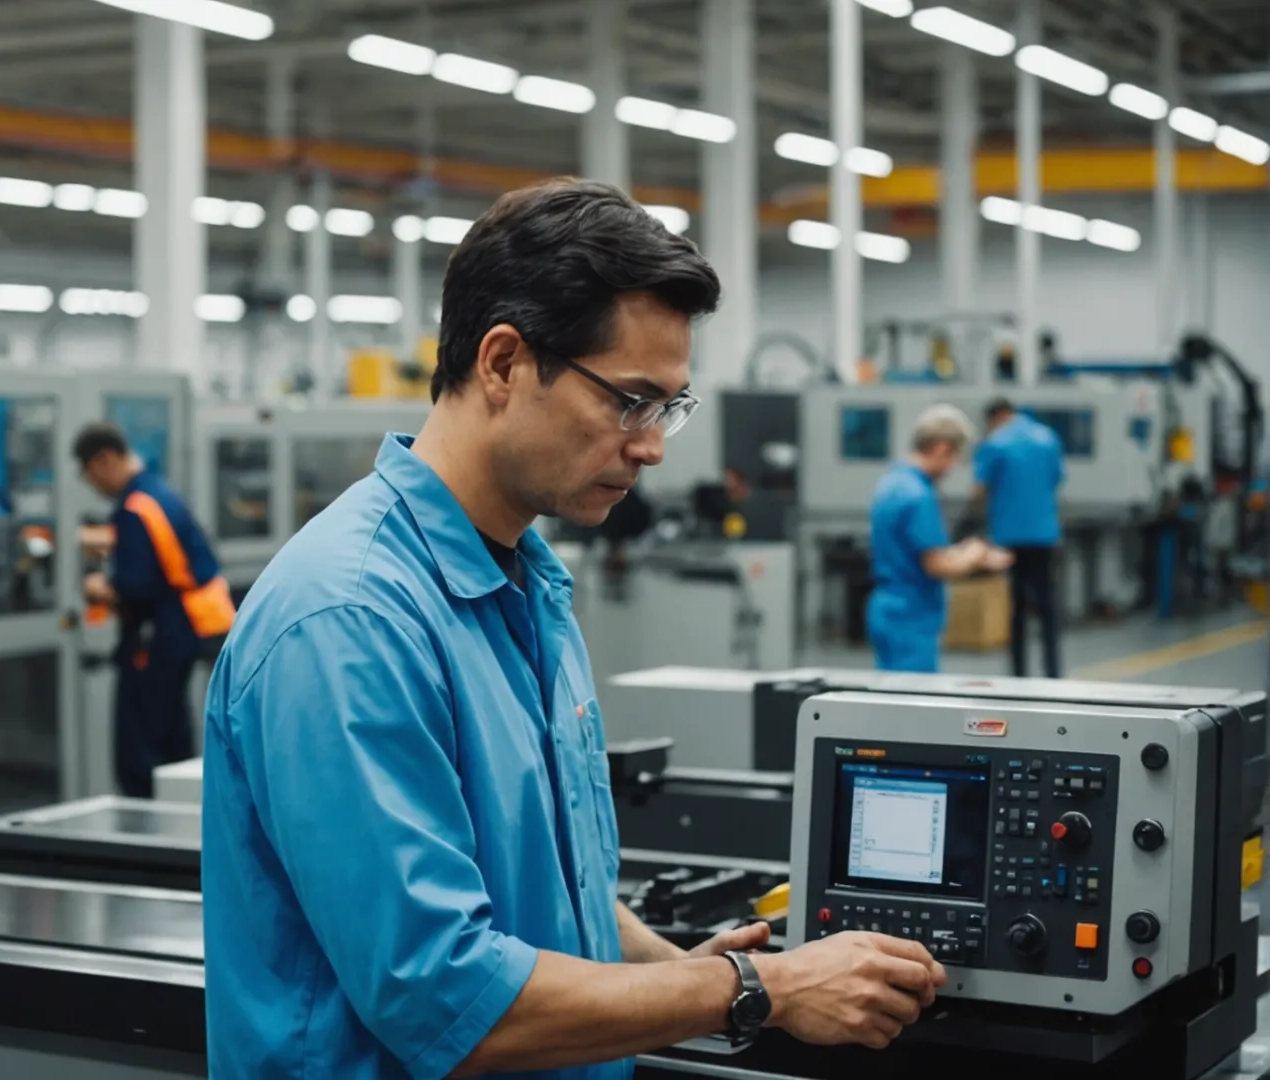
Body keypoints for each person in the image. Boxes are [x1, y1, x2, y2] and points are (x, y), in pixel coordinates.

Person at [203, 178, 945, 1080]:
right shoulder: (350, 622)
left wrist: (673, 972)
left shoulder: (527, 583)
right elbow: (445, 997)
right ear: (505, 363)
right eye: (630, 400)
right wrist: (757, 988)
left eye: (670, 406)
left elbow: (553, 885)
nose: (652, 445)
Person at [73, 421, 233, 798]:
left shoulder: (134, 509)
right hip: (186, 624)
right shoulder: (156, 493)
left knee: (140, 741)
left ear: (104, 460)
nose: (91, 484)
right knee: (172, 731)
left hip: (158, 631)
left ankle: (141, 823)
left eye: (88, 473)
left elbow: (137, 586)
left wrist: (97, 587)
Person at [868, 405, 1015, 674]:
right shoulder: (918, 495)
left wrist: (964, 551)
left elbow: (919, 551)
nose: (951, 468)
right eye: (953, 457)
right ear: (940, 448)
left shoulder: (892, 483)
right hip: (912, 615)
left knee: (888, 699)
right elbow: (937, 565)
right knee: (913, 700)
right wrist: (975, 555)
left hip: (889, 608)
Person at [972, 399, 1065, 676]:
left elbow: (980, 489)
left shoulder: (995, 442)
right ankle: (1053, 671)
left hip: (1008, 538)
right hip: (1043, 534)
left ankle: (1019, 672)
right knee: (1048, 606)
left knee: (1016, 608)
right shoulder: (1048, 438)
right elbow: (1056, 478)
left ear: (996, 417)